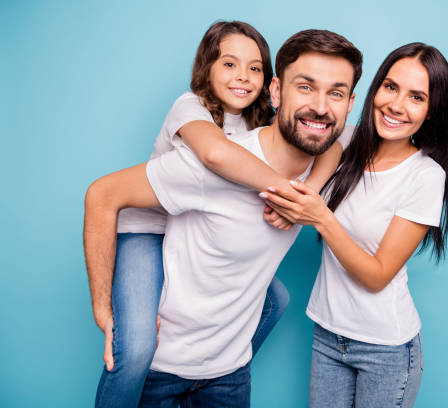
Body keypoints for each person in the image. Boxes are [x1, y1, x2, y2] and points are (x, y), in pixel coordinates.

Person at [84, 29, 363, 407]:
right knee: (134, 346)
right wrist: (104, 309)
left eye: (336, 93)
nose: (320, 105)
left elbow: (346, 137)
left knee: (276, 299)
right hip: (145, 241)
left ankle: (224, 356)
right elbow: (211, 156)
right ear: (278, 92)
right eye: (306, 87)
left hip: (229, 375)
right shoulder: (200, 132)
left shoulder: (300, 137)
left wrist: (309, 191)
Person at [261, 42, 448, 407]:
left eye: (417, 97)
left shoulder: (425, 176)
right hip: (328, 334)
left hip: (386, 350)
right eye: (391, 87)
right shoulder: (347, 141)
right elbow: (292, 135)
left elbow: (378, 275)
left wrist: (318, 214)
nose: (396, 105)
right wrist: (302, 197)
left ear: (432, 111)